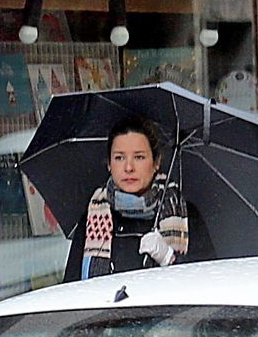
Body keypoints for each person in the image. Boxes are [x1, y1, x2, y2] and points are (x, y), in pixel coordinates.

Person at [63, 116, 216, 282]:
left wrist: (169, 258)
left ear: (156, 162)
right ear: (109, 164)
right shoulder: (92, 218)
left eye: (139, 157)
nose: (129, 168)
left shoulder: (185, 214)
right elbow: (70, 289)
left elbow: (207, 282)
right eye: (119, 158)